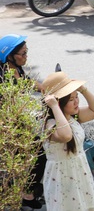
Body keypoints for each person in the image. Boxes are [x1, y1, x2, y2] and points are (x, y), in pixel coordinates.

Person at [41, 71, 94, 210]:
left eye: (77, 97)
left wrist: (83, 90)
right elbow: (65, 136)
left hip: (80, 175)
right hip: (61, 180)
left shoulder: (72, 116)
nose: (76, 102)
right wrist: (54, 107)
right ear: (59, 102)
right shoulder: (49, 124)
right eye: (71, 99)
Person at [0, 34, 45, 209]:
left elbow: (26, 83)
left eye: (27, 52)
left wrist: (45, 88)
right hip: (7, 127)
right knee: (39, 153)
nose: (26, 57)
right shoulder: (3, 78)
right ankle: (26, 194)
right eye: (23, 54)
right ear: (9, 55)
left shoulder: (16, 68)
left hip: (16, 122)